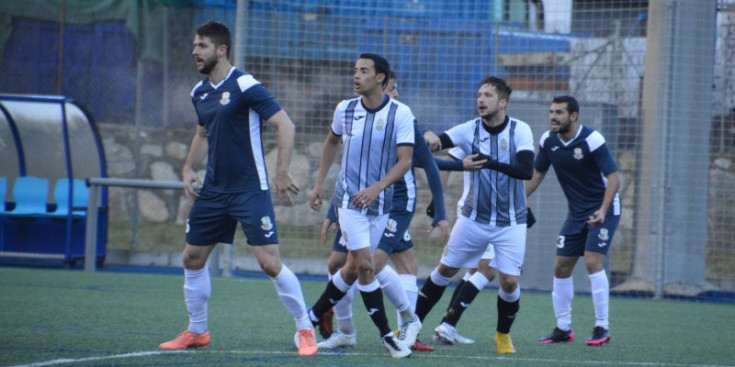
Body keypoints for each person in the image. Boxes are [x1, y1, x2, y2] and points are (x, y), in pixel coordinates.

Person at [158, 20, 318, 357]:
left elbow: (284, 124)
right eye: (194, 45)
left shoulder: (245, 84)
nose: (194, 51)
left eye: (201, 46)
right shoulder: (199, 92)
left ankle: (305, 328)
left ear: (221, 50)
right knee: (192, 257)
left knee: (269, 263)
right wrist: (188, 168)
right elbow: (203, 133)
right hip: (214, 190)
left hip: (249, 189)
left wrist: (281, 172)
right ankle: (197, 331)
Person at [316, 71, 452, 352]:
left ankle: (408, 325)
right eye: (393, 88)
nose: (397, 94)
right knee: (337, 264)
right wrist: (333, 210)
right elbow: (350, 170)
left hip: (394, 205)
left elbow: (428, 162)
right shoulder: (354, 114)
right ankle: (345, 330)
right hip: (359, 204)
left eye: (398, 89)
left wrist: (440, 210)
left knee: (369, 266)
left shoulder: (401, 118)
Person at [306, 53, 421, 358]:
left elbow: (405, 161)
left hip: (382, 205)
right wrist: (319, 184)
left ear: (380, 78)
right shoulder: (345, 109)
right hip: (349, 204)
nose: (356, 76)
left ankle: (311, 319)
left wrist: (377, 187)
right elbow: (331, 142)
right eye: (355, 70)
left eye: (363, 71)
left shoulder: (401, 114)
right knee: (366, 266)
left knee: (353, 268)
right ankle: (388, 337)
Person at [419, 76, 534, 354]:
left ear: (503, 102)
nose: (481, 100)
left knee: (508, 281)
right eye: (479, 95)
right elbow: (436, 144)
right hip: (473, 219)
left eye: (488, 96)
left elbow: (526, 171)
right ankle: (412, 325)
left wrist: (491, 162)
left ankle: (503, 335)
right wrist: (430, 138)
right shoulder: (469, 129)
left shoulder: (520, 130)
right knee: (445, 269)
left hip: (511, 223)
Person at [527, 95, 621, 346]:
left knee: (592, 261)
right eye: (551, 112)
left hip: (605, 209)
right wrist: (517, 201)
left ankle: (602, 327)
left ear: (574, 116)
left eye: (559, 112)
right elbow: (537, 173)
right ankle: (563, 329)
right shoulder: (548, 140)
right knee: (560, 266)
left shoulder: (592, 139)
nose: (553, 117)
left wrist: (603, 210)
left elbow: (614, 178)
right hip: (576, 213)